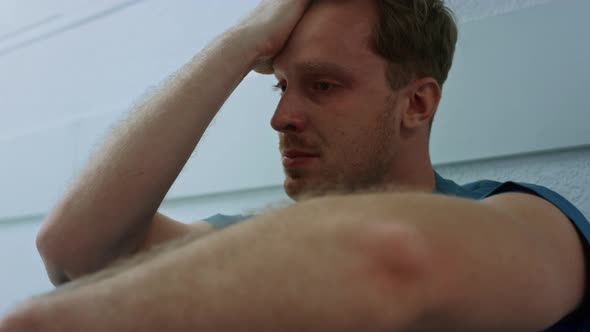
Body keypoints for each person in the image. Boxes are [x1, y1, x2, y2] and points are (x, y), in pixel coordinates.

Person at [1, 0, 588, 331]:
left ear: (417, 103)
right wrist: (240, 44)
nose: (282, 118)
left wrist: (44, 326)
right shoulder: (256, 242)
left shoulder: (525, 217)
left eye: (323, 85)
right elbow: (76, 252)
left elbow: (390, 256)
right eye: (279, 87)